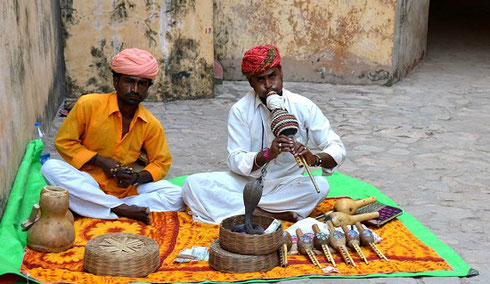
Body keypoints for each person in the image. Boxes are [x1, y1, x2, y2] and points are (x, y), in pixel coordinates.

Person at [182, 44, 346, 224]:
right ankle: (270, 214)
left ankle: (244, 211)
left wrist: (313, 159)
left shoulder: (303, 106)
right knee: (192, 184)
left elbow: (336, 147)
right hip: (245, 183)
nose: (268, 86)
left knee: (320, 187)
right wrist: (267, 155)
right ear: (250, 82)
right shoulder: (240, 110)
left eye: (272, 76)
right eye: (260, 80)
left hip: (285, 185)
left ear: (281, 72)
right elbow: (235, 160)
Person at [41, 48, 184, 224]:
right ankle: (118, 209)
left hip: (125, 191)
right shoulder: (88, 105)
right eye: (129, 81)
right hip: (88, 182)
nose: (135, 89)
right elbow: (64, 142)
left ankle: (104, 206)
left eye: (142, 84)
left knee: (177, 195)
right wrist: (101, 161)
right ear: (116, 81)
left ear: (148, 88)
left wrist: (136, 178)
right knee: (50, 167)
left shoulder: (150, 124)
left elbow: (161, 163)